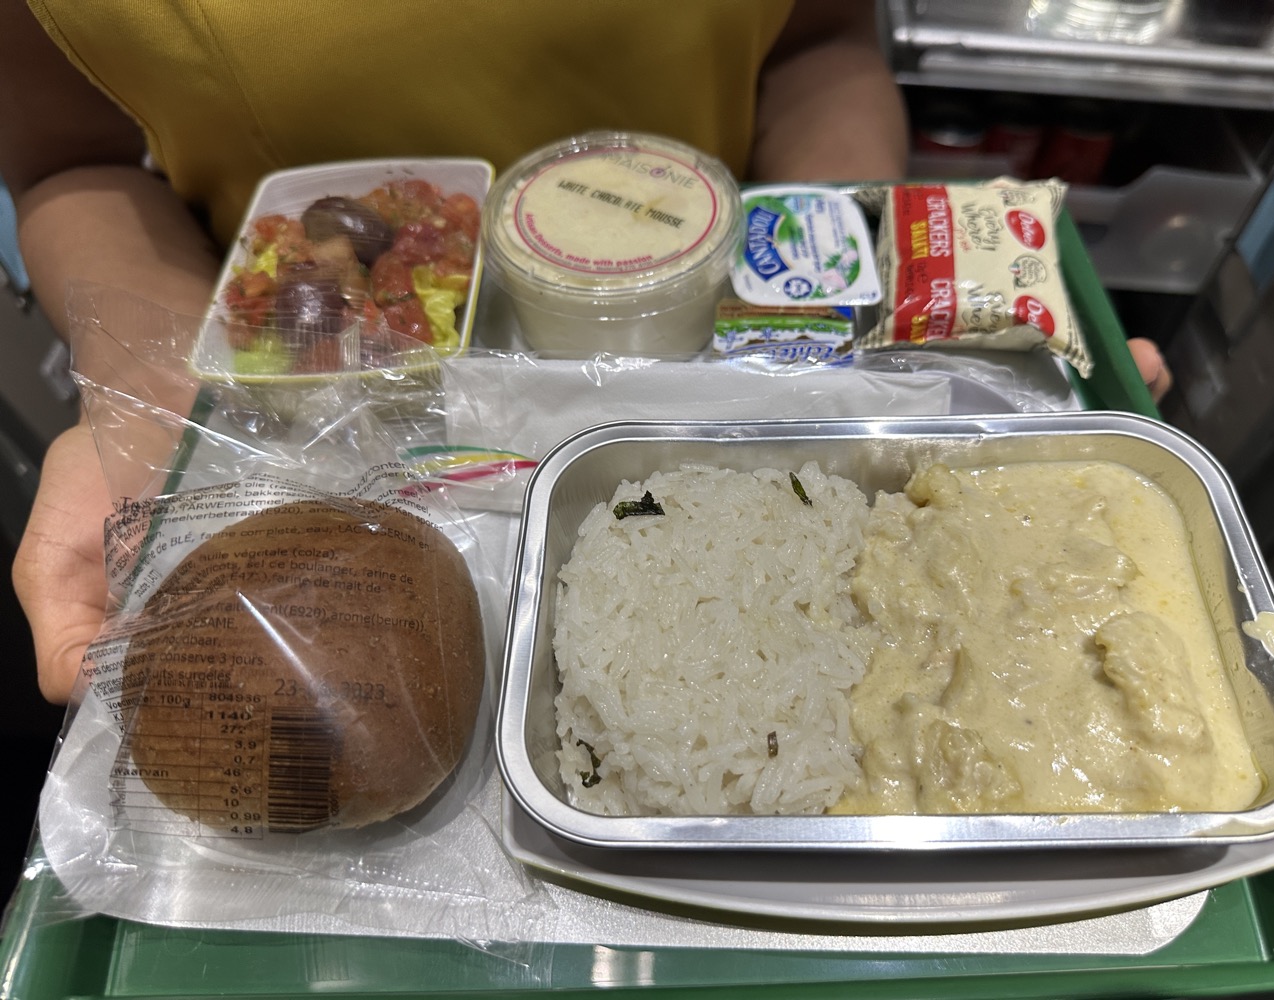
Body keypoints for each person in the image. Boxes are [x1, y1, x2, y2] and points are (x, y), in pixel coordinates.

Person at [0, 0, 1166, 704]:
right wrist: (145, 392)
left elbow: (818, 47)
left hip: (716, 286)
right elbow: (67, 160)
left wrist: (832, 305)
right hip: (310, 389)